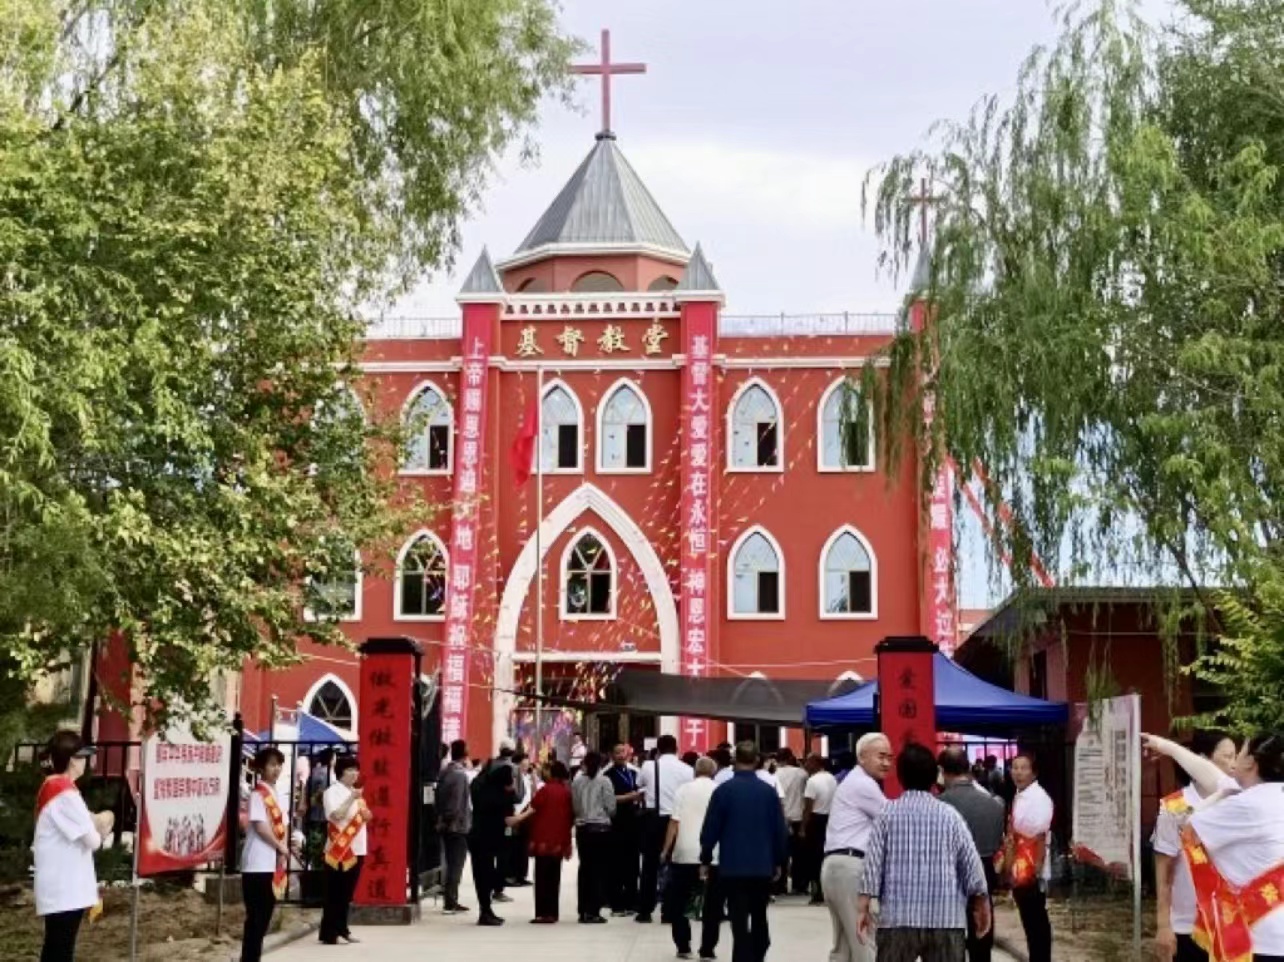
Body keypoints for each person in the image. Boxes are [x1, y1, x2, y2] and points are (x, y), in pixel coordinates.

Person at [1146, 731, 1284, 962]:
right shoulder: (1272, 796)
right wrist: (1167, 746)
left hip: (1259, 942)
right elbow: (1212, 775)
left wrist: (1218, 796)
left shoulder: (1245, 804)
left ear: (1250, 762)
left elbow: (1188, 831)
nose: (1233, 761)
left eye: (1239, 752)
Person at [857, 742, 991, 962]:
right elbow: (971, 864)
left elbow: (873, 864)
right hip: (946, 920)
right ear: (933, 776)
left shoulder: (887, 815)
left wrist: (863, 906)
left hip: (897, 920)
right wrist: (981, 901)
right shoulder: (951, 816)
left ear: (900, 777)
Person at [1152, 730, 1238, 962]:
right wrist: (1163, 924)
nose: (1234, 764)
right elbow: (1164, 870)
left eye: (1236, 756)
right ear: (1201, 760)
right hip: (1188, 925)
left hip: (1235, 924)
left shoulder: (1240, 803)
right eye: (1227, 757)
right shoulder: (1175, 806)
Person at [700, 741, 789, 962]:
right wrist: (779, 861)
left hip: (732, 865)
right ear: (757, 761)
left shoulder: (724, 791)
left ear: (733, 761)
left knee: (738, 917)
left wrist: (706, 857)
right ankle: (759, 950)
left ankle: (741, 955)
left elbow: (711, 828)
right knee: (759, 913)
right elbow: (779, 829)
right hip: (761, 865)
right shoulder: (768, 793)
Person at [33, 731, 112, 962]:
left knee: (56, 948)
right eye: (82, 756)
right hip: (65, 887)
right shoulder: (64, 794)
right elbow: (93, 840)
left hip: (61, 886)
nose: (85, 762)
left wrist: (95, 823)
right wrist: (102, 823)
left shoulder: (55, 788)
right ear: (71, 760)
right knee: (60, 950)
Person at [818, 732, 890, 962]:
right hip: (851, 867)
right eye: (881, 756)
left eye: (890, 757)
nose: (887, 763)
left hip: (836, 867)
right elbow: (893, 818)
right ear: (862, 757)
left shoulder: (855, 782)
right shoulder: (863, 784)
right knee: (864, 942)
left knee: (844, 947)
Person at [938, 747, 1006, 962]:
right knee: (981, 949)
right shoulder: (995, 805)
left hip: (949, 883)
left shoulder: (939, 805)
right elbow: (997, 845)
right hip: (984, 881)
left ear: (942, 771)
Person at [662, 756, 723, 961]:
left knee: (678, 902)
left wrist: (666, 849)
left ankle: (683, 946)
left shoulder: (683, 790)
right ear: (713, 771)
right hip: (714, 855)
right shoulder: (720, 790)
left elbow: (674, 822)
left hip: (684, 853)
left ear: (695, 771)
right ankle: (707, 949)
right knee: (713, 905)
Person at [1001, 751, 1053, 962]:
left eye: (1024, 768)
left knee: (1036, 920)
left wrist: (1036, 869)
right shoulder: (1021, 794)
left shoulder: (1038, 798)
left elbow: (1039, 837)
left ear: (1034, 772)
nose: (1018, 772)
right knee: (1030, 920)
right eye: (1015, 767)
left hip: (1030, 868)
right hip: (1020, 865)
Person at [242, 747, 293, 962]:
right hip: (256, 863)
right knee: (256, 918)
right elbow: (261, 827)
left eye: (279, 764)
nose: (276, 769)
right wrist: (280, 847)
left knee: (265, 917)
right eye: (272, 764)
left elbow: (285, 824)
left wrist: (282, 851)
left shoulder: (278, 793)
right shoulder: (257, 794)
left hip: (273, 862)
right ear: (261, 767)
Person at [636, 734, 693, 923]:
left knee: (650, 866)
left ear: (658, 750)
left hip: (653, 819)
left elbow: (639, 785)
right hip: (677, 820)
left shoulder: (648, 766)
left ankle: (645, 910)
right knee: (674, 866)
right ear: (676, 748)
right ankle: (670, 910)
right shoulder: (687, 770)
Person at [509, 760, 574, 923]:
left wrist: (516, 819)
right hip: (559, 838)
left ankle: (542, 913)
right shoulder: (566, 792)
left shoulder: (545, 790)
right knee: (554, 877)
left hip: (543, 838)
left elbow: (532, 809)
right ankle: (553, 912)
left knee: (542, 877)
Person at [469, 744, 521, 926]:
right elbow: (509, 820)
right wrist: (530, 812)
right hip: (488, 840)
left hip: (477, 837)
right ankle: (485, 912)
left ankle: (486, 910)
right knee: (486, 875)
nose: (512, 784)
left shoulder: (480, 786)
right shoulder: (500, 796)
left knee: (481, 874)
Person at [320, 756, 370, 945]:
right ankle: (332, 931)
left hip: (357, 848)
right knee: (336, 892)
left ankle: (338, 929)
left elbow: (362, 817)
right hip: (339, 850)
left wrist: (365, 814)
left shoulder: (355, 793)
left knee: (347, 892)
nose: (354, 774)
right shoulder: (332, 792)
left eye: (356, 770)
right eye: (350, 770)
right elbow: (335, 815)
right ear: (341, 772)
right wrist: (351, 798)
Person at [571, 751, 617, 924]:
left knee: (585, 869)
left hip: (583, 828)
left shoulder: (577, 782)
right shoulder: (605, 781)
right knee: (598, 870)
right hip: (601, 829)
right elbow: (611, 807)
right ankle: (593, 910)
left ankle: (582, 909)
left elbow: (574, 805)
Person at [605, 743, 643, 916]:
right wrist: (631, 797)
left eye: (623, 752)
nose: (621, 755)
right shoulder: (608, 776)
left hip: (634, 824)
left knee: (633, 866)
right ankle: (617, 904)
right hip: (616, 824)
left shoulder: (635, 773)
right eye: (617, 752)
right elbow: (609, 800)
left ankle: (632, 901)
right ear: (611, 755)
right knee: (615, 866)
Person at [436, 739, 472, 915]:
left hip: (446, 824)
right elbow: (457, 803)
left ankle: (451, 899)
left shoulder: (445, 772)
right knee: (456, 864)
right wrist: (452, 819)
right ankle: (451, 901)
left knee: (450, 863)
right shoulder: (459, 775)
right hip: (457, 826)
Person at [802, 752, 838, 904]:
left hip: (815, 820)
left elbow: (808, 807)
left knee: (813, 858)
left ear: (815, 763)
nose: (806, 765)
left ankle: (817, 892)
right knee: (826, 855)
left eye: (808, 762)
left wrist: (803, 827)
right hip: (829, 819)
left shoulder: (812, 781)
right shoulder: (832, 778)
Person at [773, 748, 808, 896]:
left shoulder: (774, 775)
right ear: (790, 757)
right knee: (799, 855)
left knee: (781, 854)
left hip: (781, 818)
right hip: (798, 817)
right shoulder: (801, 773)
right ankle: (799, 885)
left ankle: (779, 886)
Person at [505, 751, 534, 887]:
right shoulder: (513, 777)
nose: (526, 767)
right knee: (514, 845)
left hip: (526, 814)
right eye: (523, 764)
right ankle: (511, 875)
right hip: (516, 814)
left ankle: (521, 874)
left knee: (523, 846)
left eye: (527, 764)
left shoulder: (527, 777)